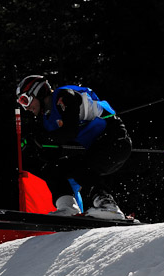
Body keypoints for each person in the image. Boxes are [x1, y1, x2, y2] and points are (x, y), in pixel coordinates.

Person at [15, 75, 132, 219]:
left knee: (81, 167)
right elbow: (54, 153)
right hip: (98, 146)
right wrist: (36, 148)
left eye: (25, 100)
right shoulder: (47, 118)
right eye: (21, 104)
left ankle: (108, 206)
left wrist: (41, 139)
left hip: (116, 141)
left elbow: (70, 131)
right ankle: (67, 207)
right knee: (53, 169)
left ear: (38, 91)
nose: (26, 108)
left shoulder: (65, 96)